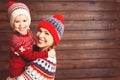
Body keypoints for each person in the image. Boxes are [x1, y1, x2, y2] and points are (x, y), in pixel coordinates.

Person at [6, 1, 54, 80]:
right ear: (12, 23)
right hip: (17, 70)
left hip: (27, 66)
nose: (21, 25)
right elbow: (29, 55)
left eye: (24, 21)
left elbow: (33, 45)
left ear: (28, 21)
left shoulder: (29, 32)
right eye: (17, 21)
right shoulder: (16, 40)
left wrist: (43, 48)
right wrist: (46, 54)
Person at [16, 14, 65, 80]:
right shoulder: (38, 50)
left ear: (54, 39)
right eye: (40, 31)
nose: (40, 35)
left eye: (47, 33)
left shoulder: (45, 62)